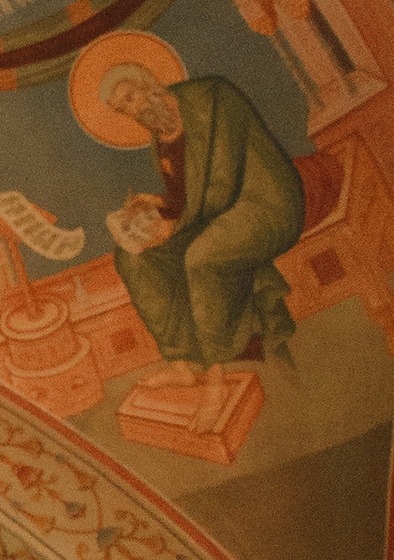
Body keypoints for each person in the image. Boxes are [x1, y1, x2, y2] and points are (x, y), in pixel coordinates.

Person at [100, 67, 303, 381]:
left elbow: (222, 183)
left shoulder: (212, 97)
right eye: (123, 109)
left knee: (200, 257)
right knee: (134, 258)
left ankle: (216, 375)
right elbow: (188, 197)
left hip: (263, 202)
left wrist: (174, 227)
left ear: (148, 82)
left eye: (131, 96)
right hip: (213, 215)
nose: (134, 110)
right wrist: (155, 202)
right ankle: (180, 365)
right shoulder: (160, 138)